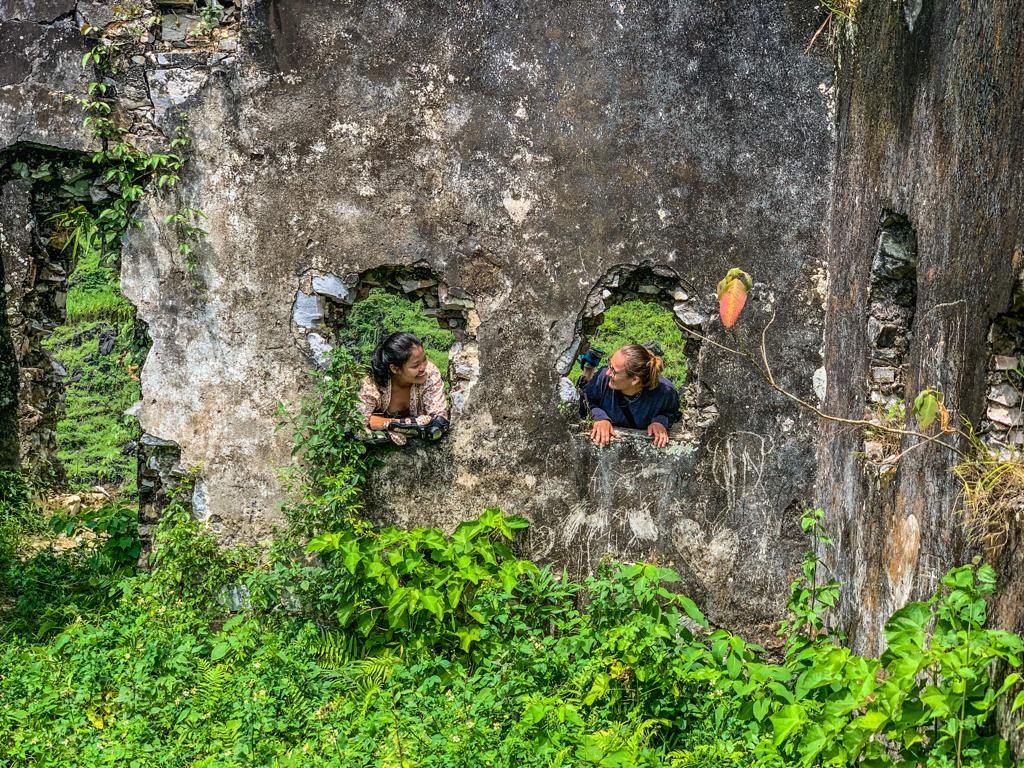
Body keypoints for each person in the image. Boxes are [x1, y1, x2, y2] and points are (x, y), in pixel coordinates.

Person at [356, 332, 448, 445]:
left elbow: (439, 421)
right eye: (415, 365)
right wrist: (409, 425)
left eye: (424, 359)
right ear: (395, 369)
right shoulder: (372, 385)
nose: (423, 367)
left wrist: (389, 424)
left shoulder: (430, 373)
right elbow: (357, 425)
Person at [583, 344, 680, 448]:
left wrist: (660, 422)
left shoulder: (665, 392)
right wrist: (600, 417)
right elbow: (585, 401)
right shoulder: (602, 379)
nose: (607, 373)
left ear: (634, 380)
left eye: (614, 371)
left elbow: (673, 413)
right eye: (609, 365)